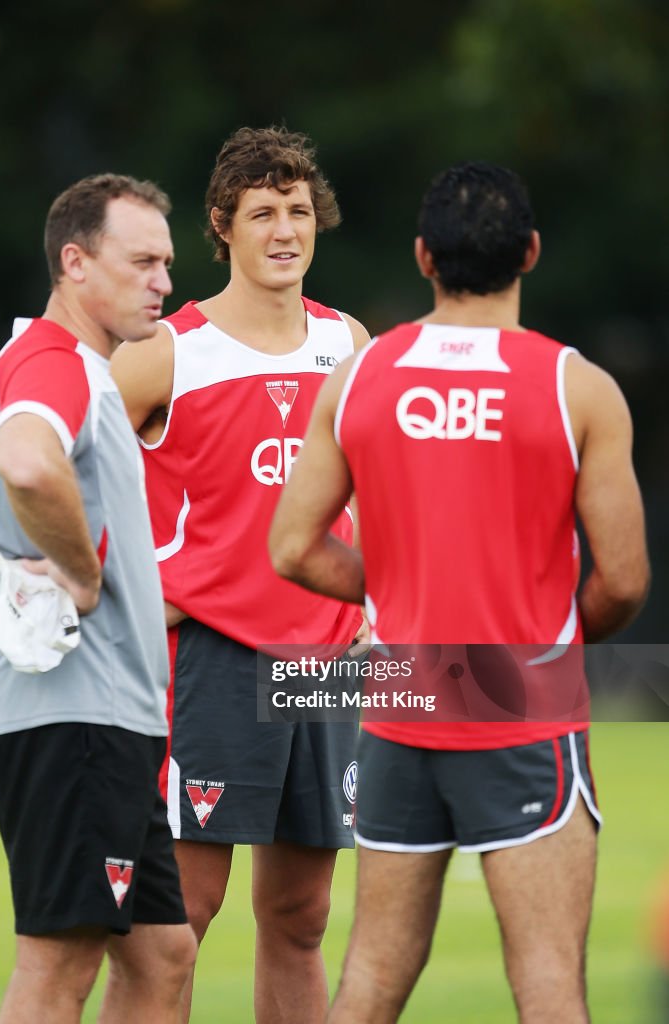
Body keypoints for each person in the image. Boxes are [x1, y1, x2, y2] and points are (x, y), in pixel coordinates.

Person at [269, 161, 650, 1023]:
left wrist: (403, 597)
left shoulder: (360, 377)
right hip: (524, 707)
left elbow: (292, 548)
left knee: (367, 979)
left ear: (421, 257)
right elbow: (622, 581)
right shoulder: (576, 387)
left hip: (401, 699)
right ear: (530, 252)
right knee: (549, 985)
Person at [111, 125, 370, 1022]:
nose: (285, 229)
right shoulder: (167, 353)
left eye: (298, 210)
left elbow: (365, 484)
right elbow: (59, 458)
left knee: (301, 917)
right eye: (262, 212)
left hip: (328, 667)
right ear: (222, 227)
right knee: (176, 920)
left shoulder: (348, 343)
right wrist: (135, 588)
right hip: (215, 663)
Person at [0, 173, 197, 1024]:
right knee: (59, 967)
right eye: (141, 261)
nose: (163, 282)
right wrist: (87, 575)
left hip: (108, 721)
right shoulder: (52, 362)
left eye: (166, 263)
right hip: (73, 719)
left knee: (164, 956)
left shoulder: (85, 370)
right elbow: (26, 460)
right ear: (75, 264)